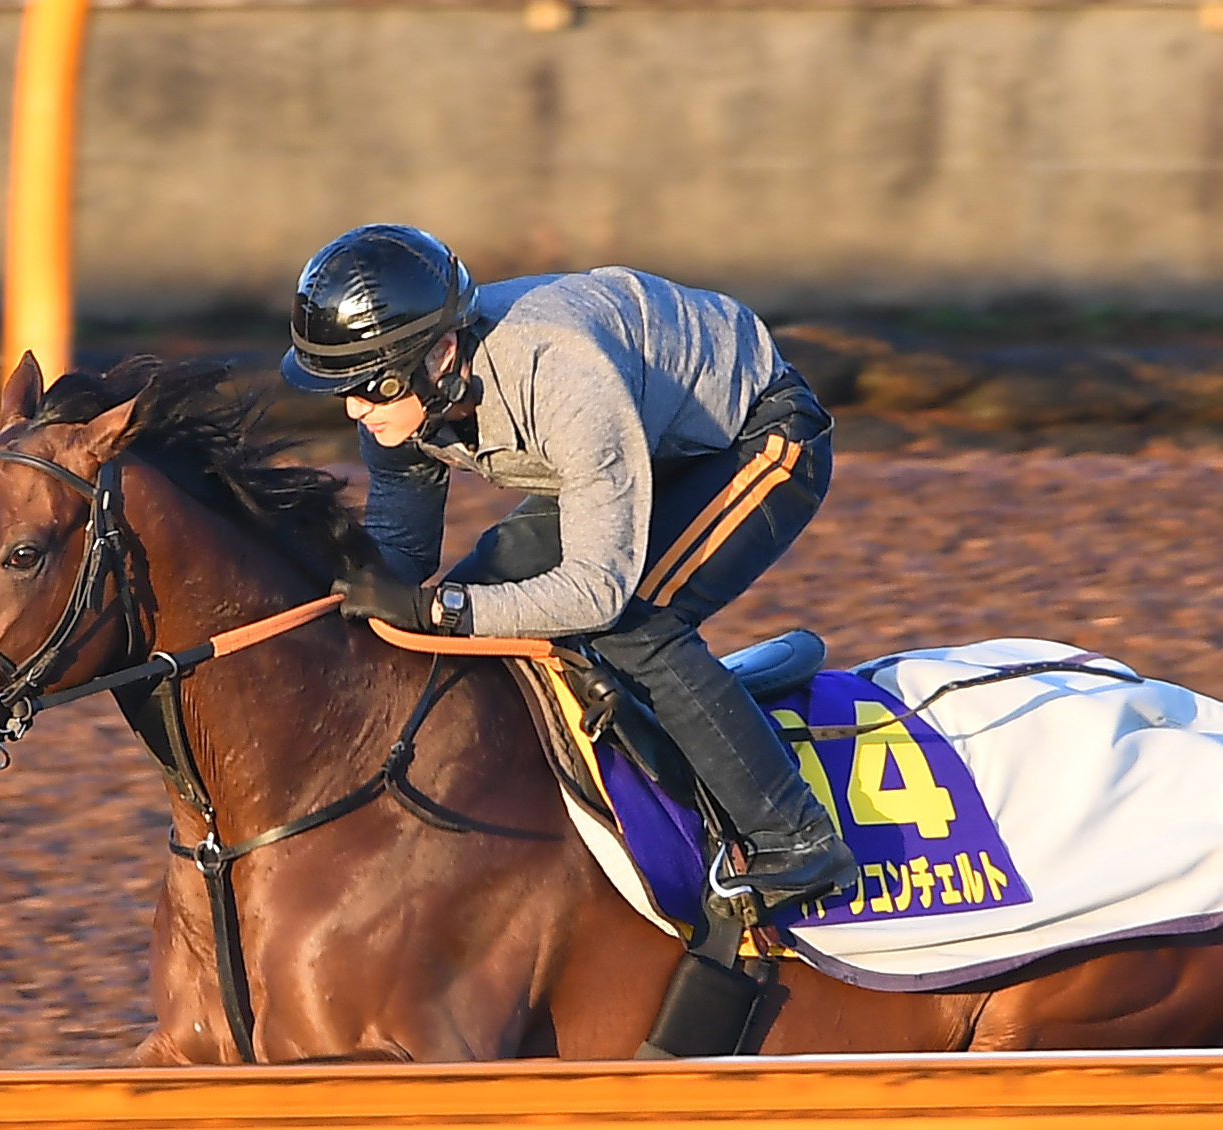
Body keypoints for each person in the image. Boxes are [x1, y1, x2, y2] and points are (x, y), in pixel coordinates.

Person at [280, 224, 857, 906]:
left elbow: (598, 592)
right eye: (341, 385)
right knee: (479, 597)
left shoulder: (563, 374)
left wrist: (439, 610)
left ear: (440, 354)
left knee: (635, 623)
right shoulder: (403, 403)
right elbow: (400, 559)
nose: (353, 408)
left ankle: (796, 838)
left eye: (370, 386)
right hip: (637, 436)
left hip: (755, 439)